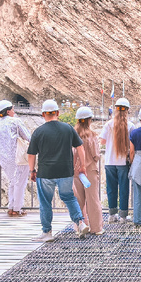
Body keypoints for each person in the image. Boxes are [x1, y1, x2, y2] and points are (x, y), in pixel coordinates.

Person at [26, 99, 90, 242]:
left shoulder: (38, 132)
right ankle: (80, 223)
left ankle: (47, 232)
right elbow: (80, 147)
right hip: (65, 171)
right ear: (58, 113)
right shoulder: (67, 128)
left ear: (43, 114)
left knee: (45, 202)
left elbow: (31, 154)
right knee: (69, 197)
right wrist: (83, 166)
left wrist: (32, 170)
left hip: (46, 172)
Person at [0, 99, 31, 217]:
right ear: (8, 111)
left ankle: (11, 207)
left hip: (4, 160)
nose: (14, 111)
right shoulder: (15, 121)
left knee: (13, 182)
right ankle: (17, 209)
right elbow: (28, 137)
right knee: (20, 183)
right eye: (12, 109)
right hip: (18, 157)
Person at [73, 106, 104, 234]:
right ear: (89, 120)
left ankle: (79, 227)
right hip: (89, 171)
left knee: (78, 200)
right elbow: (96, 155)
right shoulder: (92, 136)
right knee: (93, 200)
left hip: (76, 172)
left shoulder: (73, 135)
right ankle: (96, 228)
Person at [103, 97, 132, 222]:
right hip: (123, 162)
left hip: (109, 161)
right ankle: (123, 216)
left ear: (115, 109)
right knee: (124, 188)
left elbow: (103, 141)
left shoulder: (108, 125)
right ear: (127, 111)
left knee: (111, 188)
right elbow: (132, 145)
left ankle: (111, 215)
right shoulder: (130, 126)